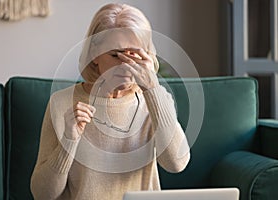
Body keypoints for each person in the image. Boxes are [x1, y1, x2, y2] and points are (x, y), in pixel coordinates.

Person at [30, 3, 190, 200]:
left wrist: (152, 90)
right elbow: (42, 195)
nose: (126, 65)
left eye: (136, 55)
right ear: (95, 55)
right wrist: (68, 141)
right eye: (115, 55)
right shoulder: (62, 102)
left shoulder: (157, 98)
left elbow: (177, 164)